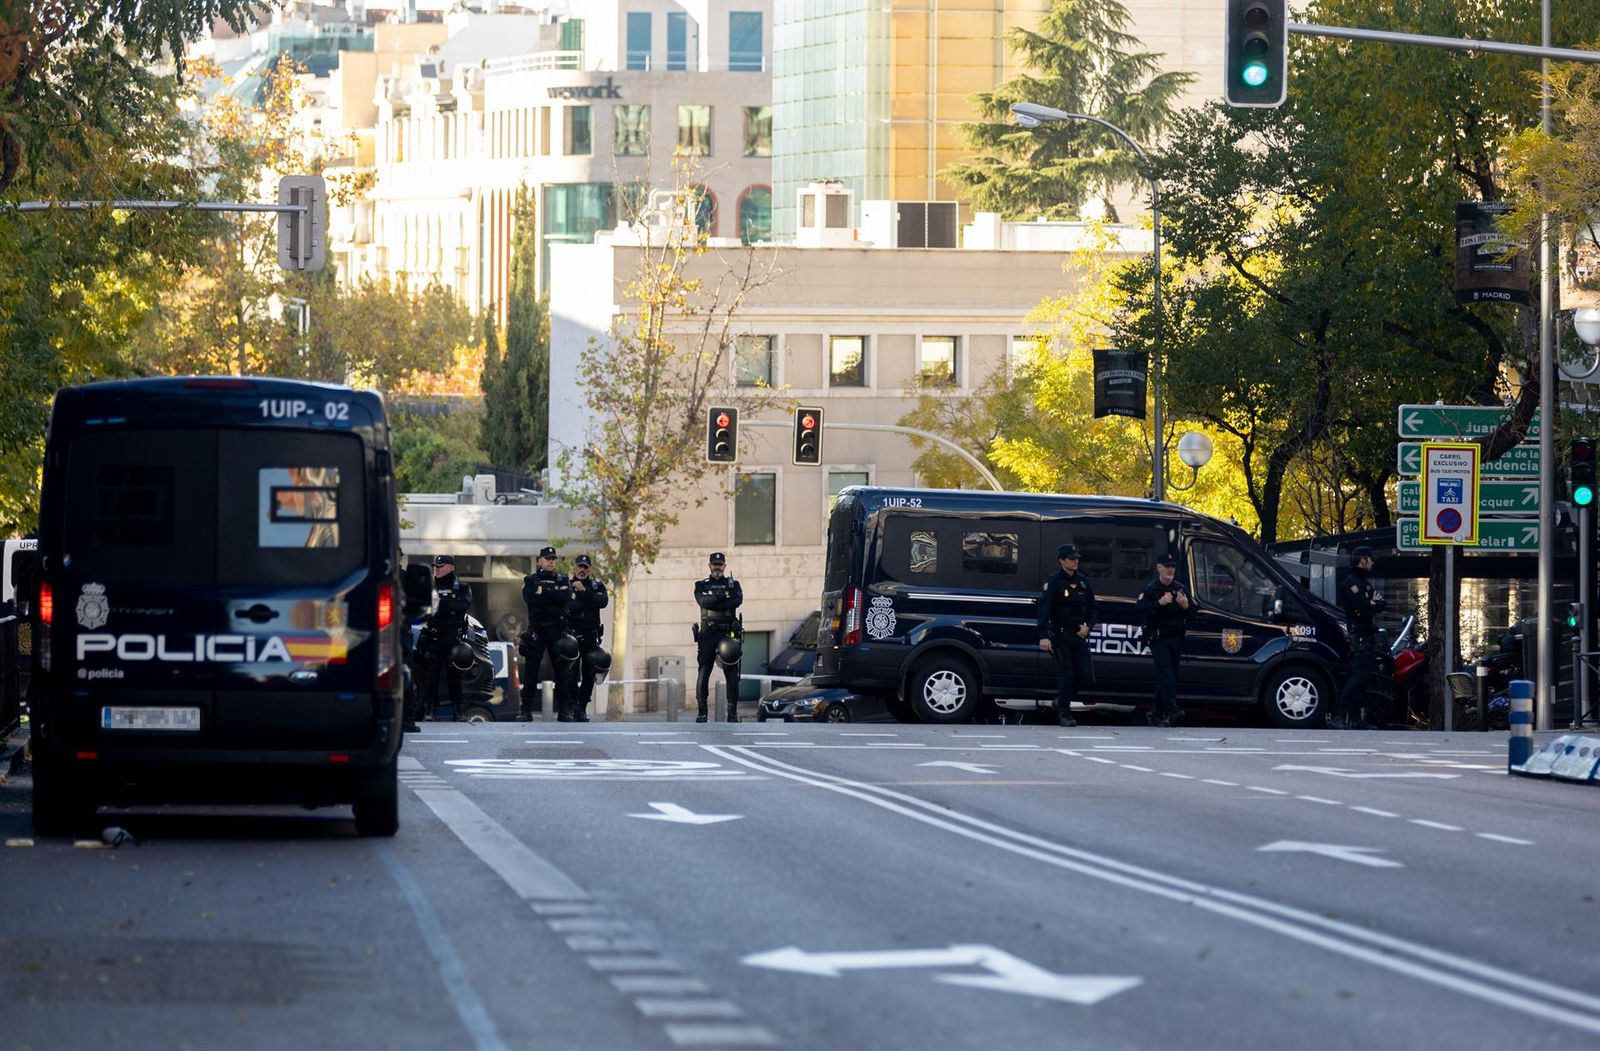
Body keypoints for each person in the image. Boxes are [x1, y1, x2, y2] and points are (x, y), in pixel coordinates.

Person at [1037, 544, 1096, 727]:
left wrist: (1089, 626)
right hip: (1061, 635)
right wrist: (1044, 636)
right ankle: (1065, 712)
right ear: (1062, 561)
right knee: (1067, 674)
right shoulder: (1053, 582)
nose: (1075, 561)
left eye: (1077, 558)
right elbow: (1044, 610)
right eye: (1071, 559)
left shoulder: (1083, 581)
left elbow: (1092, 608)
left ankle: (1060, 700)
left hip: (1079, 635)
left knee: (1085, 676)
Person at [1135, 555, 1193, 728]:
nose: (1170, 570)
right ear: (1159, 568)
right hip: (1158, 638)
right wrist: (1158, 603)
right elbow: (1139, 609)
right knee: (1166, 672)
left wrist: (1186, 606)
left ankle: (1156, 713)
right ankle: (1172, 709)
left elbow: (1193, 614)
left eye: (1173, 567)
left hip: (1175, 638)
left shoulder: (1180, 589)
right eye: (1167, 567)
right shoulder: (1151, 590)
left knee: (1169, 677)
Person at [521, 546, 577, 721]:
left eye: (553, 558)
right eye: (547, 558)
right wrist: (554, 594)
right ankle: (526, 711)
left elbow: (566, 597)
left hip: (557, 632)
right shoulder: (531, 580)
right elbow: (530, 598)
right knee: (530, 673)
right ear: (540, 561)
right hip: (537, 630)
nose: (551, 561)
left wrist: (544, 592)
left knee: (562, 673)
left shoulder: (563, 579)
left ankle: (564, 711)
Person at [1334, 545, 1384, 730]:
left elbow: (1380, 603)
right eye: (1370, 558)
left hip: (1367, 633)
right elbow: (1364, 609)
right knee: (1358, 675)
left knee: (1362, 678)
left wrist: (1372, 603)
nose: (1372, 562)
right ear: (1362, 559)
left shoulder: (1364, 582)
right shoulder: (1352, 583)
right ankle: (1339, 712)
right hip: (1359, 634)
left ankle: (1355, 719)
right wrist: (1371, 603)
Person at [417, 555, 472, 722]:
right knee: (430, 676)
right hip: (434, 636)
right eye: (436, 566)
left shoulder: (461, 586)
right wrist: (448, 606)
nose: (437, 569)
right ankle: (429, 710)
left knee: (455, 676)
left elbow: (462, 606)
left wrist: (441, 605)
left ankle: (458, 711)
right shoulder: (429, 587)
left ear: (450, 567)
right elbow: (424, 612)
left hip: (453, 637)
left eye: (440, 566)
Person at [693, 552, 744, 722]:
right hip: (708, 633)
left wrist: (714, 599)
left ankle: (732, 713)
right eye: (714, 564)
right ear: (709, 566)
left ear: (724, 566)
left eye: (720, 564)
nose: (717, 567)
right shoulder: (701, 584)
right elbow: (703, 602)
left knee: (731, 672)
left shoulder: (734, 584)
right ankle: (702, 712)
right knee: (704, 671)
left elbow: (736, 601)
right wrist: (723, 597)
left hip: (727, 633)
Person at [566, 553, 609, 722]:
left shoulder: (596, 585)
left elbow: (603, 602)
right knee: (570, 675)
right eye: (579, 566)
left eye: (585, 567)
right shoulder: (566, 585)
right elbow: (569, 606)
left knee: (589, 674)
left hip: (591, 637)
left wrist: (583, 592)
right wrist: (587, 600)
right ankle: (571, 707)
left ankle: (582, 707)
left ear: (589, 569)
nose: (582, 570)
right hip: (572, 638)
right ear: (574, 567)